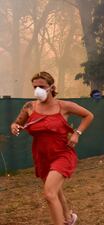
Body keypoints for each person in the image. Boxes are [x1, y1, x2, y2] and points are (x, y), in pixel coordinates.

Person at [10, 71, 94, 225]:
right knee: (56, 191)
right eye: (35, 87)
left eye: (41, 86)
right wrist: (14, 127)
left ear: (51, 87)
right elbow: (18, 123)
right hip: (41, 155)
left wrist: (77, 133)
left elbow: (89, 115)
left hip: (62, 154)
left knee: (49, 194)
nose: (38, 90)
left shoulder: (63, 106)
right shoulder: (29, 106)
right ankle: (69, 218)